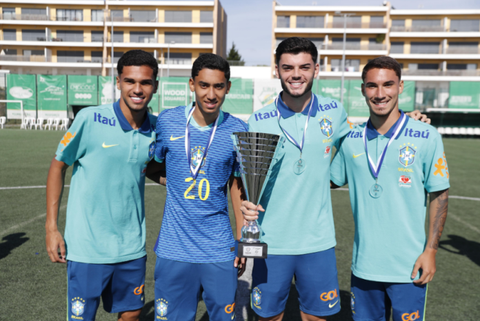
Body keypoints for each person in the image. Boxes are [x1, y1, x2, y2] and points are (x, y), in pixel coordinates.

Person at [240, 38, 429, 321]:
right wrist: (245, 207)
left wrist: (407, 120)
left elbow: (366, 135)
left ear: (316, 69)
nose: (296, 74)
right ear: (276, 69)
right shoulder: (259, 120)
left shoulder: (334, 111)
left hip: (318, 241)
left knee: (316, 317)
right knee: (269, 317)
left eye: (304, 67)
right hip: (272, 240)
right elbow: (247, 181)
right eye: (287, 67)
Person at [45, 49, 164, 321]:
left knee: (132, 312)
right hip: (87, 245)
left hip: (131, 244)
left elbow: (148, 167)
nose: (138, 88)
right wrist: (51, 228)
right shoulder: (90, 119)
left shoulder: (157, 128)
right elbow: (58, 165)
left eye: (145, 82)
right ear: (119, 82)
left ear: (155, 85)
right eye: (130, 81)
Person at [330, 56, 449, 321]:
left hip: (410, 268)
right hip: (364, 267)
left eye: (388, 85)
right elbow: (327, 181)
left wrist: (430, 250)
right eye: (372, 86)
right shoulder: (350, 139)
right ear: (363, 89)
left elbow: (440, 194)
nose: (380, 93)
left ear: (400, 86)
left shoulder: (426, 135)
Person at [153, 53, 247, 321]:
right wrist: (178, 183)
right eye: (204, 85)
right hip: (174, 248)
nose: (211, 94)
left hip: (218, 247)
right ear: (192, 84)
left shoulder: (238, 129)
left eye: (218, 86)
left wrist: (241, 238)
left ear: (228, 87)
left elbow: (237, 185)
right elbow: (152, 166)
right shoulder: (168, 121)